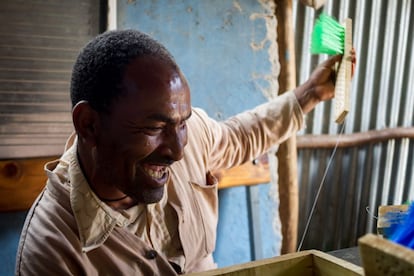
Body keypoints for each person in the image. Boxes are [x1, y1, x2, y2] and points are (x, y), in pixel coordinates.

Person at [15, 29, 355, 275]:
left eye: (182, 123)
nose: (178, 151)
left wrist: (311, 93)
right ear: (89, 125)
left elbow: (238, 135)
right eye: (154, 128)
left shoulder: (187, 138)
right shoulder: (50, 251)